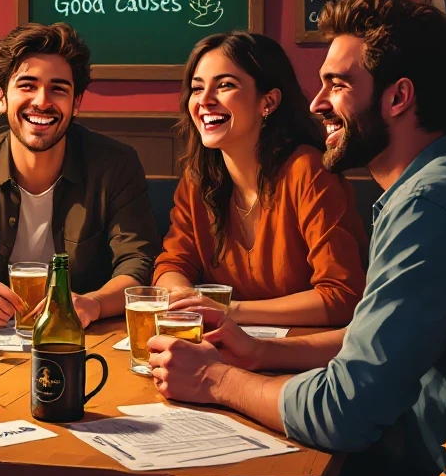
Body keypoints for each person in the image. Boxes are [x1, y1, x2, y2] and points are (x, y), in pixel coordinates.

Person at [148, 0, 446, 476]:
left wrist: (216, 380)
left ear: (398, 97)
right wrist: (260, 354)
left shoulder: (429, 208)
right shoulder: (444, 183)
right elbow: (378, 339)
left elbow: (343, 412)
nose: (316, 103)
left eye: (337, 84)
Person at [0, 22, 160, 328]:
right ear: (1, 98)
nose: (42, 101)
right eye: (27, 85)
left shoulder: (116, 165)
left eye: (58, 89)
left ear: (76, 103)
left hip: (86, 335)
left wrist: (94, 304)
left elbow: (137, 263)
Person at [153, 32, 367, 327]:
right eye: (197, 88)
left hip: (307, 348)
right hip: (226, 343)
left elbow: (342, 296)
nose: (204, 100)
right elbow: (172, 264)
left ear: (268, 101)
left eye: (225, 85)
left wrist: (227, 311)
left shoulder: (307, 170)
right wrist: (184, 298)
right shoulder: (198, 179)